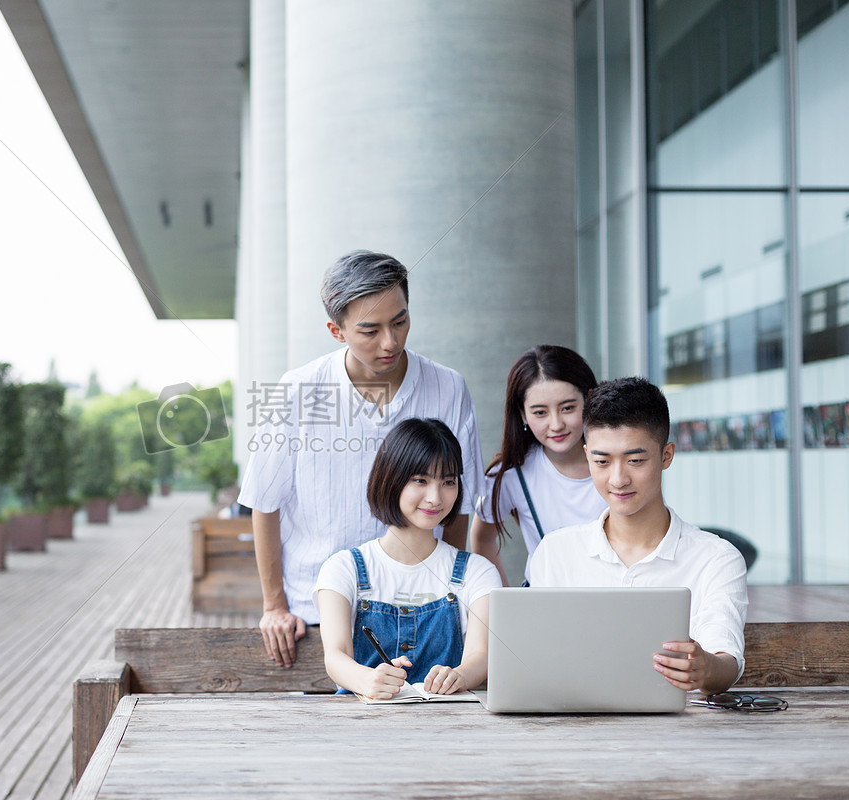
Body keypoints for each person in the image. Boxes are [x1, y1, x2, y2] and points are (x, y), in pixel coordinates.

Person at [237, 250, 486, 667]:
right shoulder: (298, 390)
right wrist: (274, 604)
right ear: (337, 330)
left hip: (421, 611)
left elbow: (458, 504)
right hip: (315, 611)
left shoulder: (448, 387)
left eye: (400, 321)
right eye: (370, 330)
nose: (390, 342)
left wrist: (447, 591)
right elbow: (266, 502)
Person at [528, 377, 748, 695]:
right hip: (576, 730)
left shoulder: (716, 559)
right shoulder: (556, 552)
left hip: (679, 737)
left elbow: (726, 660)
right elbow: (540, 657)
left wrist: (706, 668)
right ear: (587, 455)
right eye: (601, 462)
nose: (618, 479)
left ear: (666, 456)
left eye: (635, 461)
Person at [314, 418, 499, 699]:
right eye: (420, 480)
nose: (435, 497)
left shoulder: (477, 572)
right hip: (357, 730)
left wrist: (458, 675)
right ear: (390, 479)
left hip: (449, 729)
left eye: (448, 482)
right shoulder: (343, 568)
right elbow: (335, 656)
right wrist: (368, 680)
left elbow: (480, 656)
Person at [469, 345, 605, 586]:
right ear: (522, 414)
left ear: (590, 398)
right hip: (546, 609)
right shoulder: (511, 473)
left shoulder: (617, 459)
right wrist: (503, 600)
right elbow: (482, 538)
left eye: (568, 408)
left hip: (616, 600)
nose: (556, 424)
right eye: (540, 412)